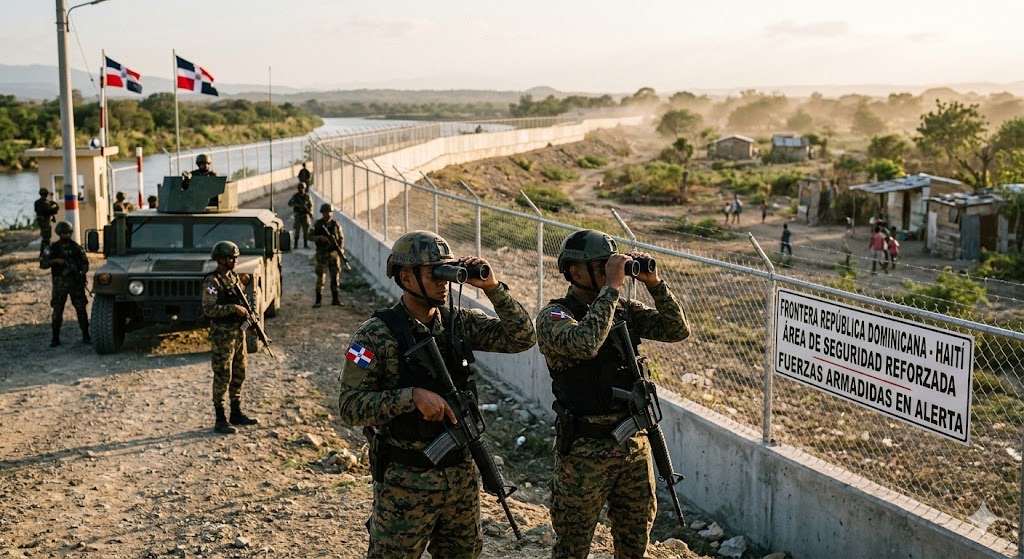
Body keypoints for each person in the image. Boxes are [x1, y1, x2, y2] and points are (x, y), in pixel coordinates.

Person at [338, 230, 536, 559]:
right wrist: (411, 397)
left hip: (460, 478)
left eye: (447, 271)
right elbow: (349, 406)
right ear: (406, 277)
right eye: (434, 273)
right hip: (406, 483)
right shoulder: (375, 335)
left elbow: (521, 337)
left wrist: (491, 287)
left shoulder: (456, 323)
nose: (445, 282)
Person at [535, 230, 690, 559]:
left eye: (613, 265)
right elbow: (585, 343)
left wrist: (654, 284)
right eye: (603, 266)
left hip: (633, 443)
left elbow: (677, 330)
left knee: (635, 538)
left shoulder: (622, 308)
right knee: (572, 545)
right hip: (584, 454)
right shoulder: (554, 317)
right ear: (576, 272)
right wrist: (612, 289)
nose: (612, 271)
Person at [201, 241, 260, 435]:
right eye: (231, 258)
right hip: (222, 337)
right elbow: (209, 309)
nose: (235, 260)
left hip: (237, 334)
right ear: (221, 259)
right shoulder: (212, 282)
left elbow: (243, 301)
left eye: (235, 257)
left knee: (239, 373)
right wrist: (233, 309)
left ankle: (236, 412)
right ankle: (220, 418)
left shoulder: (234, 278)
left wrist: (251, 321)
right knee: (222, 376)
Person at [40, 221, 90, 347]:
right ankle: (55, 338)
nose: (66, 235)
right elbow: (42, 263)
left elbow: (85, 264)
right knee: (57, 310)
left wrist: (80, 273)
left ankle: (86, 335)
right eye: (63, 233)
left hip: (75, 284)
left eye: (68, 233)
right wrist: (56, 261)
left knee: (81, 309)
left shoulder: (77, 248)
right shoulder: (52, 248)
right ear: (59, 234)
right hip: (59, 284)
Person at [311, 203, 344, 308]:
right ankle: (318, 300)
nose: (328, 214)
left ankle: (335, 299)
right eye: (326, 212)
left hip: (334, 255)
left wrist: (341, 249)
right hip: (322, 255)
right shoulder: (318, 224)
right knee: (321, 278)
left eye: (329, 212)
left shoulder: (335, 224)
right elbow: (309, 236)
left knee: (335, 277)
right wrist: (320, 238)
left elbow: (341, 238)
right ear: (322, 213)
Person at [287, 183, 313, 249]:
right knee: (297, 231)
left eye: (302, 188)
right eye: (300, 188)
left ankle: (305, 244)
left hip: (305, 215)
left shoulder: (307, 196)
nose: (301, 189)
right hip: (298, 215)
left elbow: (311, 205)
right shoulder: (295, 196)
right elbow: (289, 203)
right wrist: (296, 205)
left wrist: (310, 212)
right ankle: (296, 245)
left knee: (306, 231)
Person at [34, 188, 59, 255]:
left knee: (45, 237)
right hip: (45, 221)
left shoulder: (37, 202)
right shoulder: (46, 203)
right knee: (46, 238)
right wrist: (53, 206)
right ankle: (45, 253)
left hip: (41, 221)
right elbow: (51, 210)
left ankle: (44, 252)